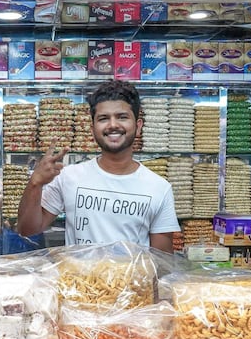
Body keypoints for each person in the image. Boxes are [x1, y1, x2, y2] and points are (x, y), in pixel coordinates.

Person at [16, 80, 180, 252]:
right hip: (79, 279)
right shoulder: (69, 177)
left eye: (122, 117)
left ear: (138, 127)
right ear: (92, 128)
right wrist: (35, 183)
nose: (113, 125)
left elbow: (161, 260)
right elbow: (27, 229)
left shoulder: (159, 188)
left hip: (132, 279)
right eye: (103, 118)